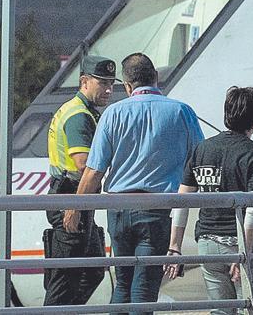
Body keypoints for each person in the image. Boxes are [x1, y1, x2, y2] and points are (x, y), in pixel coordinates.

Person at [64, 52, 204, 314]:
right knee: (145, 287)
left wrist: (74, 207)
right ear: (157, 78)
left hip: (117, 209)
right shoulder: (181, 112)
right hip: (155, 211)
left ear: (127, 86)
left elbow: (94, 171)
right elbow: (201, 159)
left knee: (123, 283)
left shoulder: (112, 114)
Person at [165, 86, 253, 315]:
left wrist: (174, 246)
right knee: (250, 311)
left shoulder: (202, 150)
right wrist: (244, 252)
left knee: (221, 311)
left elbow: (182, 200)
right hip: (243, 243)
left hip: (209, 244)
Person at [42, 55, 115, 306]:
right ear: (84, 81)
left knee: (93, 269)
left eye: (111, 83)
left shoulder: (81, 110)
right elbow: (85, 164)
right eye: (102, 83)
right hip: (72, 196)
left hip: (77, 197)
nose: (108, 89)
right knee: (65, 279)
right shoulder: (79, 116)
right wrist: (75, 206)